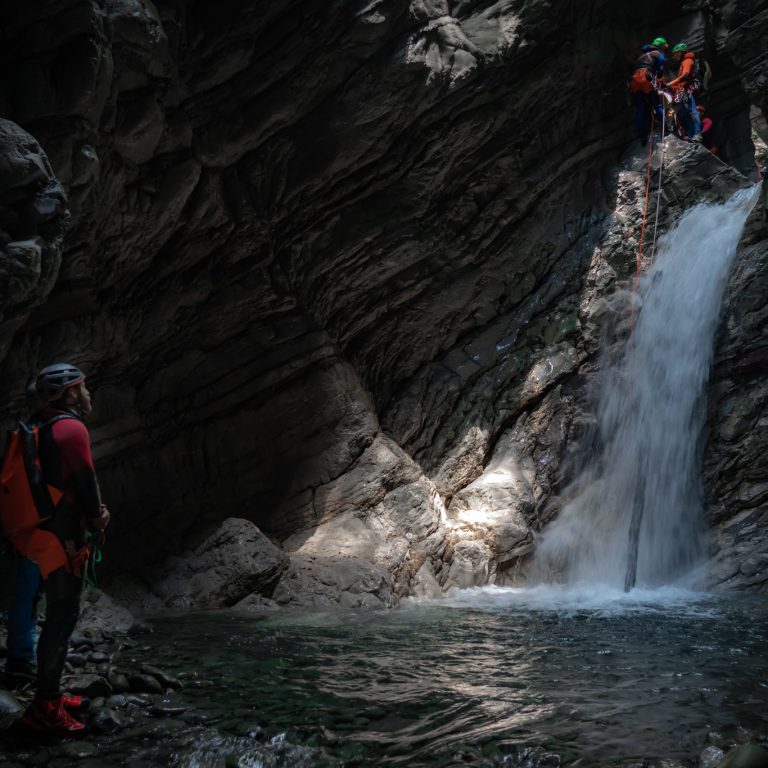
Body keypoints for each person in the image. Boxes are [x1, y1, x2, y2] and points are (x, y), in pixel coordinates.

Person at [6, 363, 110, 735]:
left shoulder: (39, 425)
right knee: (62, 617)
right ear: (69, 392)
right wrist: (97, 517)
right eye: (82, 387)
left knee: (53, 615)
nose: (87, 393)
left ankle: (47, 693)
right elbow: (85, 477)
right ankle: (45, 707)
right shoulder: (70, 428)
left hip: (41, 532)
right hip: (62, 536)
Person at [629, 37, 668, 144]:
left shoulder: (640, 57)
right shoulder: (658, 54)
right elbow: (660, 71)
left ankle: (641, 135)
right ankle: (666, 127)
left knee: (639, 109)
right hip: (646, 79)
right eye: (664, 46)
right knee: (657, 105)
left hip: (634, 82)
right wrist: (662, 82)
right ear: (661, 46)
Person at [667, 43, 703, 142]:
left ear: (680, 52)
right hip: (684, 90)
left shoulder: (687, 61)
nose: (674, 56)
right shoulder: (684, 61)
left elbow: (685, 76)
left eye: (675, 54)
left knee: (692, 111)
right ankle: (690, 135)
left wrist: (670, 83)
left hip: (688, 90)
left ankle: (697, 134)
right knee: (683, 113)